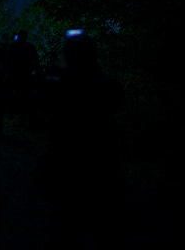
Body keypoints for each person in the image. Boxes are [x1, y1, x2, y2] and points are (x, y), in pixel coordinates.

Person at [36, 33, 126, 250]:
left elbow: (40, 101)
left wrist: (57, 72)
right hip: (102, 171)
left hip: (66, 171)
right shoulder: (108, 85)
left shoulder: (57, 87)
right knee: (105, 233)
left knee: (68, 234)